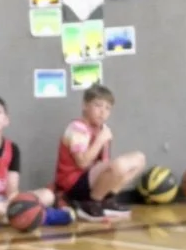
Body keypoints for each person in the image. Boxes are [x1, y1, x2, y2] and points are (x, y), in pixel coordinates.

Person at [0, 96, 74, 229]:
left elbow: (12, 190)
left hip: (3, 202)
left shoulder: (12, 148)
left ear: (6, 120)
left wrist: (13, 202)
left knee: (47, 195)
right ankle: (41, 217)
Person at [53, 84, 145, 222]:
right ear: (85, 106)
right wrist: (100, 140)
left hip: (90, 180)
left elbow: (104, 162)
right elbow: (83, 163)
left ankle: (106, 200)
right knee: (119, 165)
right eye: (98, 105)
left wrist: (103, 140)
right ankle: (91, 204)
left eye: (107, 108)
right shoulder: (77, 128)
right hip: (72, 184)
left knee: (139, 159)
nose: (103, 112)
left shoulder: (102, 129)